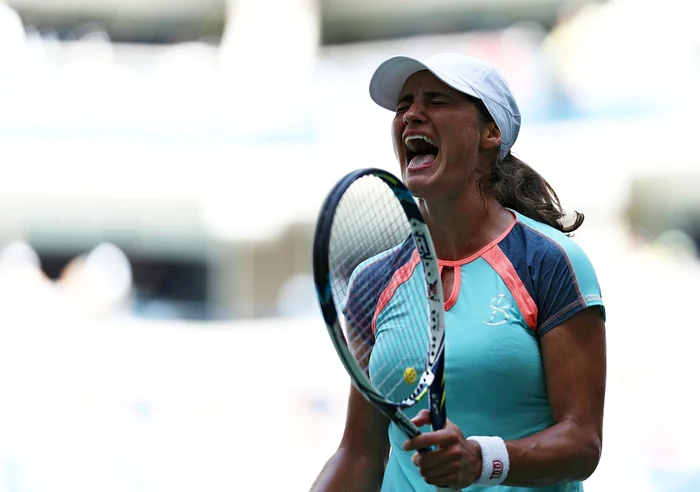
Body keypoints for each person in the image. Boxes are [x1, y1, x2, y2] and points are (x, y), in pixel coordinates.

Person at [310, 53, 606, 491]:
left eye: (437, 100)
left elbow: (582, 442)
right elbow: (360, 453)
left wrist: (482, 459)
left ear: (490, 133)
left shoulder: (546, 261)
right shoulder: (373, 282)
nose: (412, 114)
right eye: (404, 105)